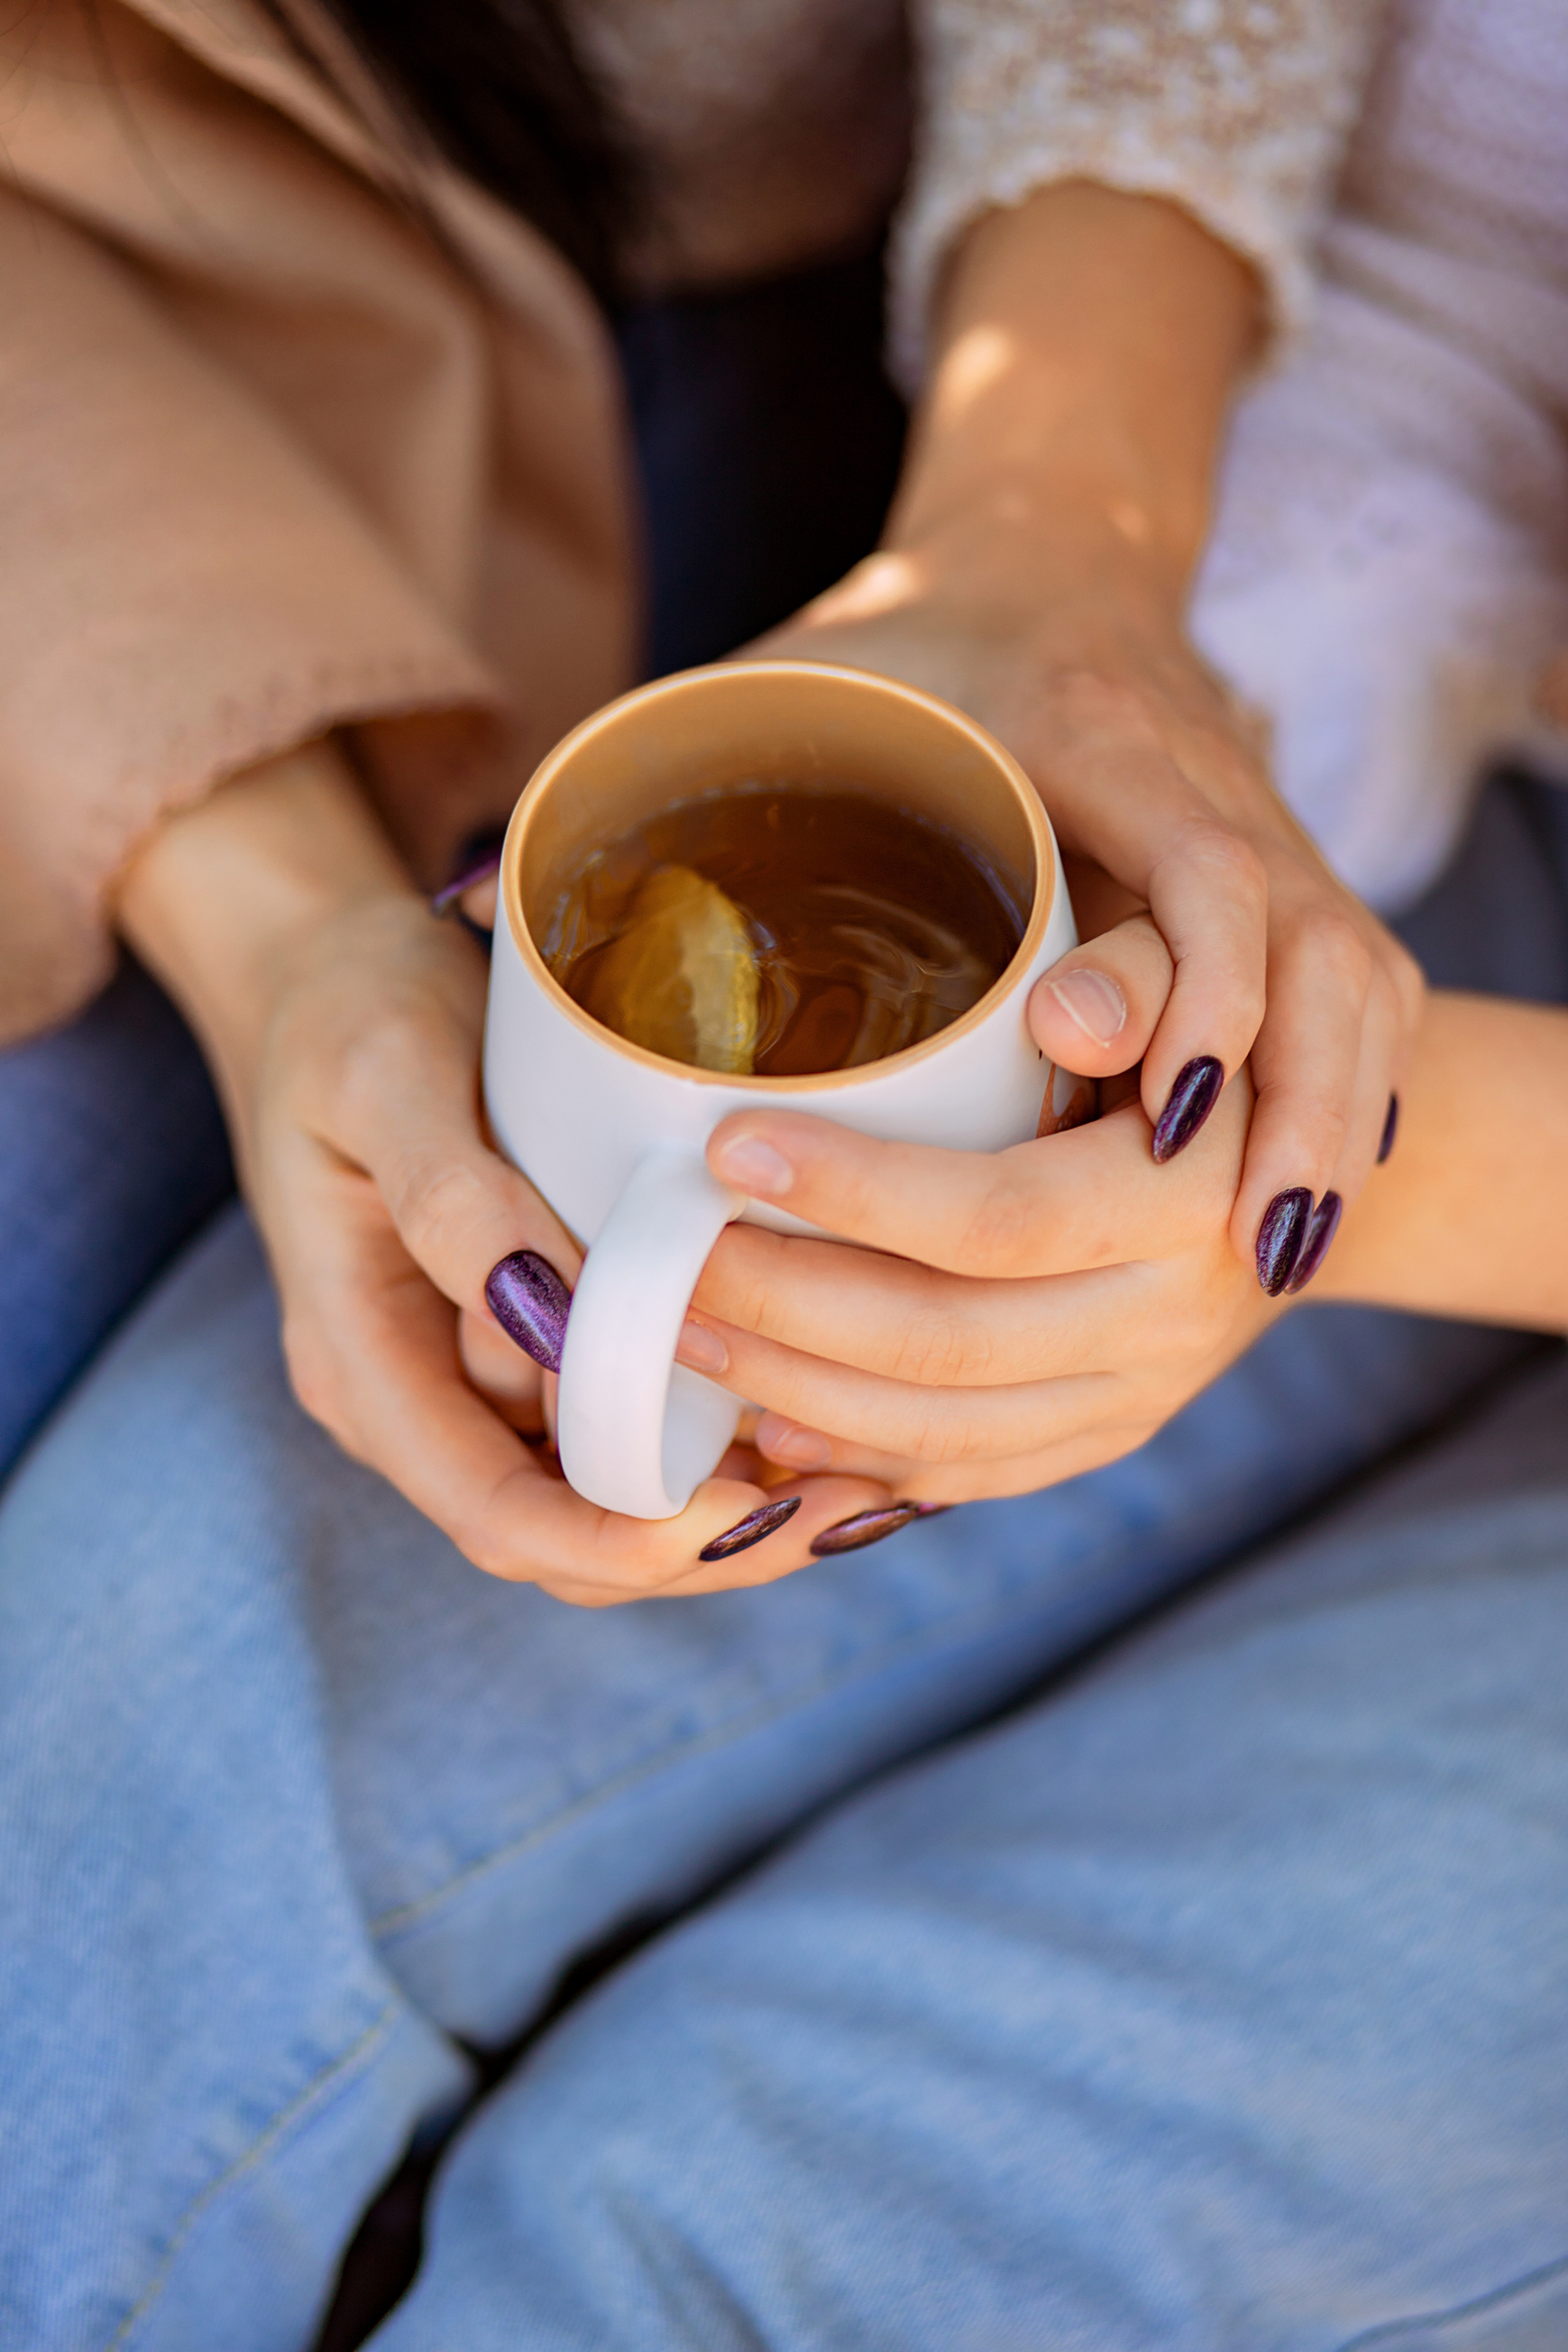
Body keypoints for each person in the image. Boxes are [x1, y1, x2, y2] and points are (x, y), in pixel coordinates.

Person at [2, 0, 1567, 2343]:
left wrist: (1337, 1172)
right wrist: (1050, 525)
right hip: (1318, 740)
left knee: (736, 2231)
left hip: (1420, 1048)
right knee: (123, 1754)